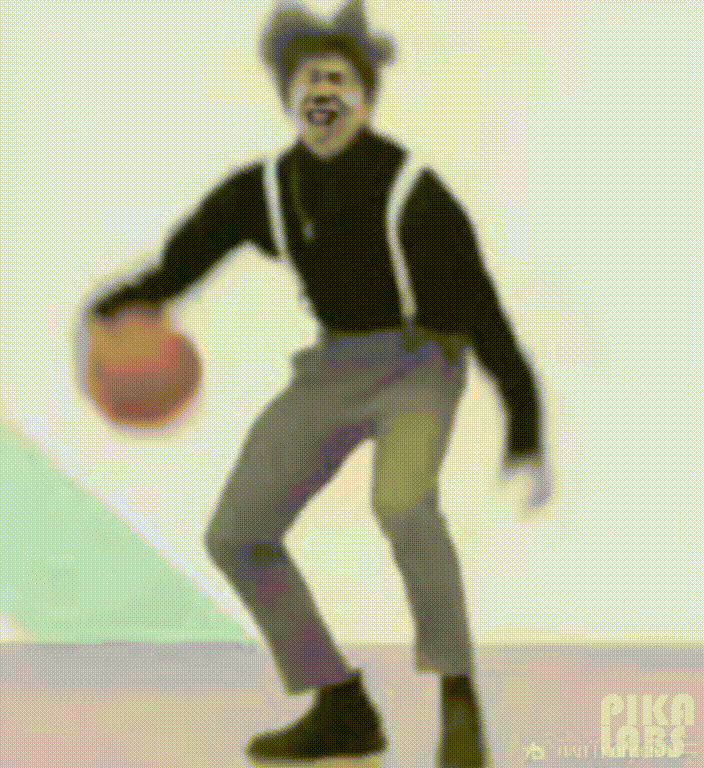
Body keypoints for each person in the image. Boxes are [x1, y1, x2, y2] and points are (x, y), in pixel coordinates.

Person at [84, 1, 552, 764]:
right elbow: (184, 261)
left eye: (340, 79)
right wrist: (116, 307)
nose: (324, 91)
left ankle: (457, 695)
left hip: (420, 363)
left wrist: (526, 430)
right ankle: (342, 707)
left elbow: (485, 316)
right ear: (288, 95)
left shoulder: (417, 199)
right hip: (334, 366)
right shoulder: (268, 190)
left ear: (367, 98)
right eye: (311, 79)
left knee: (402, 503)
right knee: (236, 534)